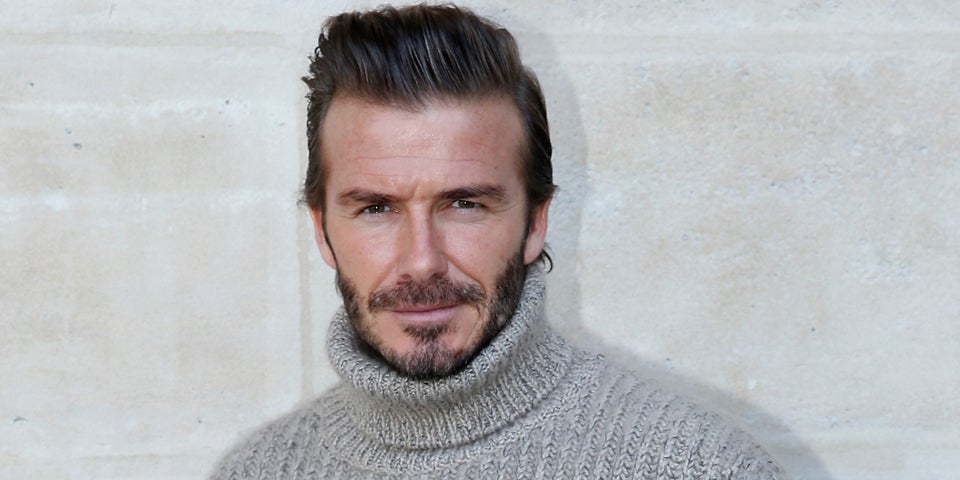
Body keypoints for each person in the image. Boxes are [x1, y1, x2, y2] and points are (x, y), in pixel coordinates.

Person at [211, 4, 784, 479]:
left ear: (535, 222)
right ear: (322, 231)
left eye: (465, 204)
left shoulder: (704, 467)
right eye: (376, 208)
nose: (422, 261)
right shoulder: (255, 472)